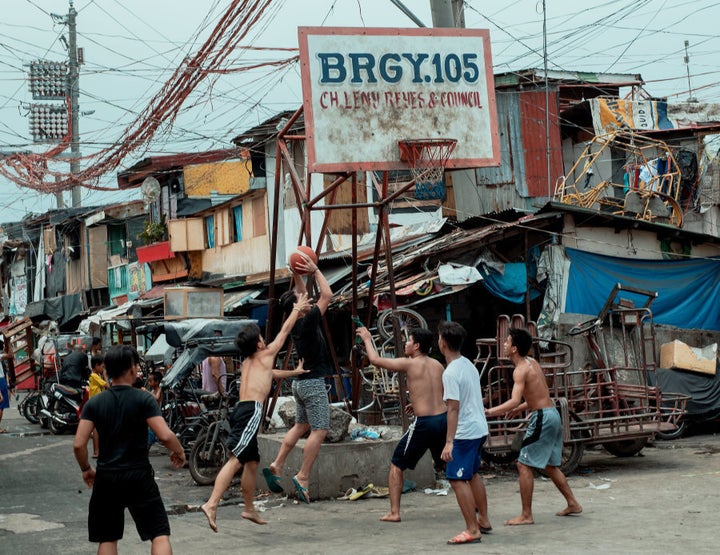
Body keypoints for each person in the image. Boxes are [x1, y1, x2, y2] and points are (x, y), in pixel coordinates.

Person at [200, 292, 312, 532]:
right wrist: (297, 308)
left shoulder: (250, 362)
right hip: (251, 412)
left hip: (243, 409)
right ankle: (211, 504)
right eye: (261, 337)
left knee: (252, 462)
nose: (264, 339)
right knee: (236, 459)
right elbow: (284, 333)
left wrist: (294, 373)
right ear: (259, 344)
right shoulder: (266, 354)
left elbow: (270, 374)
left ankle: (248, 508)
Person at [73, 345, 185, 555]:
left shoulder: (94, 403)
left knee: (107, 538)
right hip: (139, 475)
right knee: (159, 534)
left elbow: (79, 444)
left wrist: (86, 468)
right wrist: (179, 451)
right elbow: (165, 435)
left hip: (106, 476)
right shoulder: (144, 399)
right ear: (133, 370)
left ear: (106, 371)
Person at [485, 327, 582, 525]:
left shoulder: (520, 370)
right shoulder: (533, 362)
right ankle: (573, 503)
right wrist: (520, 408)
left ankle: (526, 515)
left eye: (507, 341)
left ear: (514, 348)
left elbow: (513, 401)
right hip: (551, 413)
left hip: (542, 418)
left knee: (523, 464)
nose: (504, 344)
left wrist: (488, 412)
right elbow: (537, 394)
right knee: (550, 465)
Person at [356, 325, 447, 523]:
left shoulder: (410, 364)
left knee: (396, 465)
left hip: (425, 423)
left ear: (416, 346)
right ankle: (473, 504)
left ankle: (394, 512)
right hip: (442, 418)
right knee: (449, 465)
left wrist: (367, 339)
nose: (405, 344)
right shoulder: (437, 365)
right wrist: (416, 405)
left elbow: (375, 360)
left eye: (408, 341)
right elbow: (435, 392)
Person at [264, 254, 333, 503]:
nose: (307, 298)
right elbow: (328, 296)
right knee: (320, 430)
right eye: (303, 299)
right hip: (313, 383)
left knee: (301, 425)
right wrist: (314, 270)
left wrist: (295, 273)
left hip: (299, 384)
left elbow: (303, 294)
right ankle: (303, 475)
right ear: (299, 307)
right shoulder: (309, 319)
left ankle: (278, 463)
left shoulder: (296, 322)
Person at [438, 320, 492, 545]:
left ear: (442, 343)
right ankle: (484, 520)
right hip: (478, 429)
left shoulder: (450, 372)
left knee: (457, 479)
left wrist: (449, 442)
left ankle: (472, 529)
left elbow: (453, 407)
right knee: (472, 474)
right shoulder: (468, 363)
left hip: (465, 432)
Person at [88, 354, 107, 458]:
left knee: (98, 427)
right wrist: (105, 375)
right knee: (96, 428)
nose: (103, 369)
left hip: (97, 403)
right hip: (96, 404)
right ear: (96, 365)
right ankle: (96, 451)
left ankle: (98, 450)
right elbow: (107, 386)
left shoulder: (96, 376)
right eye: (102, 367)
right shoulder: (95, 376)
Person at [146, 371, 164, 449]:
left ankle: (148, 445)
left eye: (150, 381)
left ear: (156, 382)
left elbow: (156, 397)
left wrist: (146, 391)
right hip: (151, 413)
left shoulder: (159, 389)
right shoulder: (152, 390)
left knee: (152, 432)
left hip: (156, 414)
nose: (149, 383)